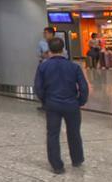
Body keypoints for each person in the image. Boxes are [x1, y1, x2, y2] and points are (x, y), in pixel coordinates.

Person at [34, 37, 88, 174]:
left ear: (49, 50)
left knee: (53, 134)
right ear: (63, 49)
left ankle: (57, 165)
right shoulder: (74, 66)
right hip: (71, 104)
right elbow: (83, 87)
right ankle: (77, 159)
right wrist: (80, 101)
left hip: (52, 104)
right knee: (74, 132)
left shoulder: (43, 67)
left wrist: (45, 101)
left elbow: (38, 88)